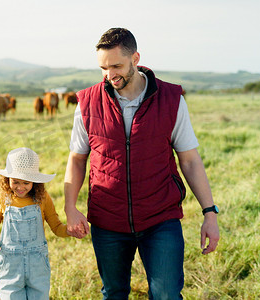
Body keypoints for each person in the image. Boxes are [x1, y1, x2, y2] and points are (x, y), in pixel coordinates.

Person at [64, 28, 220, 299]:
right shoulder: (87, 103)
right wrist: (70, 207)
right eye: (103, 68)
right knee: (113, 293)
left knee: (167, 295)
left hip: (160, 218)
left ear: (135, 58)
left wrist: (210, 213)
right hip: (107, 219)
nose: (110, 75)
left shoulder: (171, 100)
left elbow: (190, 160)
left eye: (117, 66)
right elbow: (77, 159)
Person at [0, 147, 72, 299]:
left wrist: (69, 230)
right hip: (10, 267)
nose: (20, 187)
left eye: (26, 183)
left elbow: (56, 226)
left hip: (37, 266)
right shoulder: (1, 200)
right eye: (15, 182)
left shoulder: (43, 199)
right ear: (7, 179)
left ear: (34, 182)